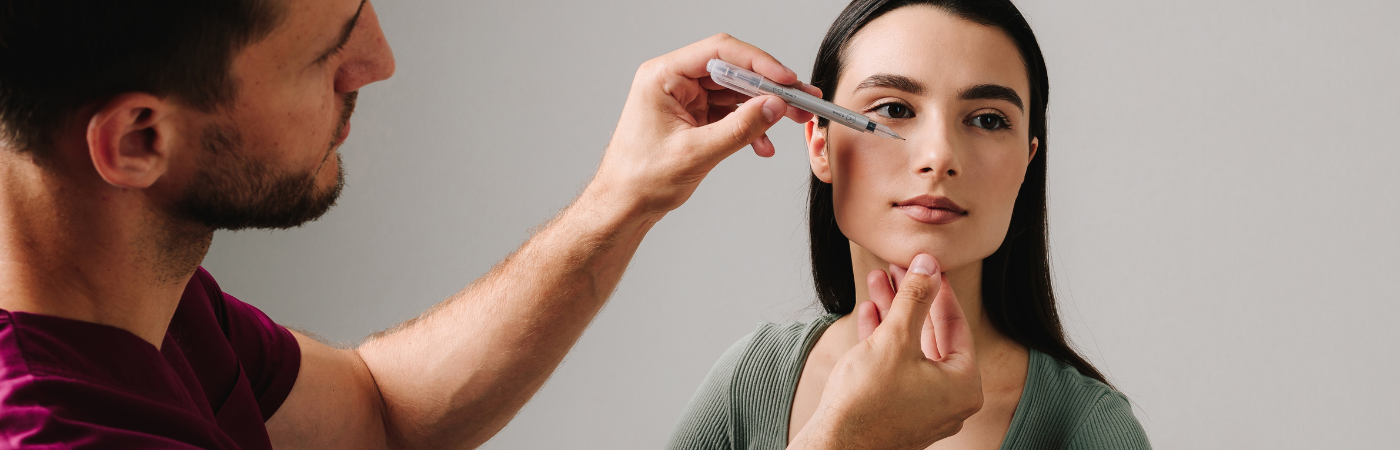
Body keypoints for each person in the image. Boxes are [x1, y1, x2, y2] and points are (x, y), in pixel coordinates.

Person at [0, 0, 983, 448]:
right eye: (326, 53)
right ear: (137, 140)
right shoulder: (57, 430)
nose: (379, 61)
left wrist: (621, 196)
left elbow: (378, 412)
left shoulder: (142, 311)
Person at [667, 0, 1152, 448]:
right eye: (894, 110)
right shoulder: (753, 382)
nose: (939, 157)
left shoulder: (1087, 428)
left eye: (987, 120)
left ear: (1027, 164)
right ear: (820, 145)